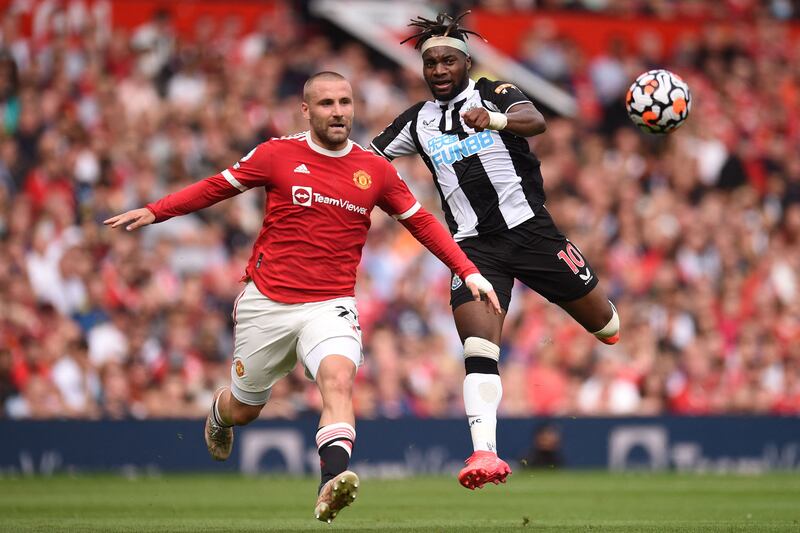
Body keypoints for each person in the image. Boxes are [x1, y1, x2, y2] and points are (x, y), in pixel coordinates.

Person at [105, 71, 501, 523]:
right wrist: (156, 211)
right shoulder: (277, 154)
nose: (339, 112)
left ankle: (330, 482)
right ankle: (220, 412)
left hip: (330, 305)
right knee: (246, 410)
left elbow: (422, 222)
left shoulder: (374, 169)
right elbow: (216, 186)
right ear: (306, 110)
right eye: (328, 103)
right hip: (266, 302)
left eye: (345, 102)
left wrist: (468, 271)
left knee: (337, 379)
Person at [370, 12, 620, 490]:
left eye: (448, 60)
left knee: (607, 327)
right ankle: (484, 452)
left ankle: (593, 313)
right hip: (470, 249)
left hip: (533, 235)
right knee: (479, 348)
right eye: (431, 63)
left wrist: (496, 119)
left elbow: (536, 120)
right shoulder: (417, 120)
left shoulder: (494, 92)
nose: (439, 70)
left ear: (466, 62)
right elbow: (367, 161)